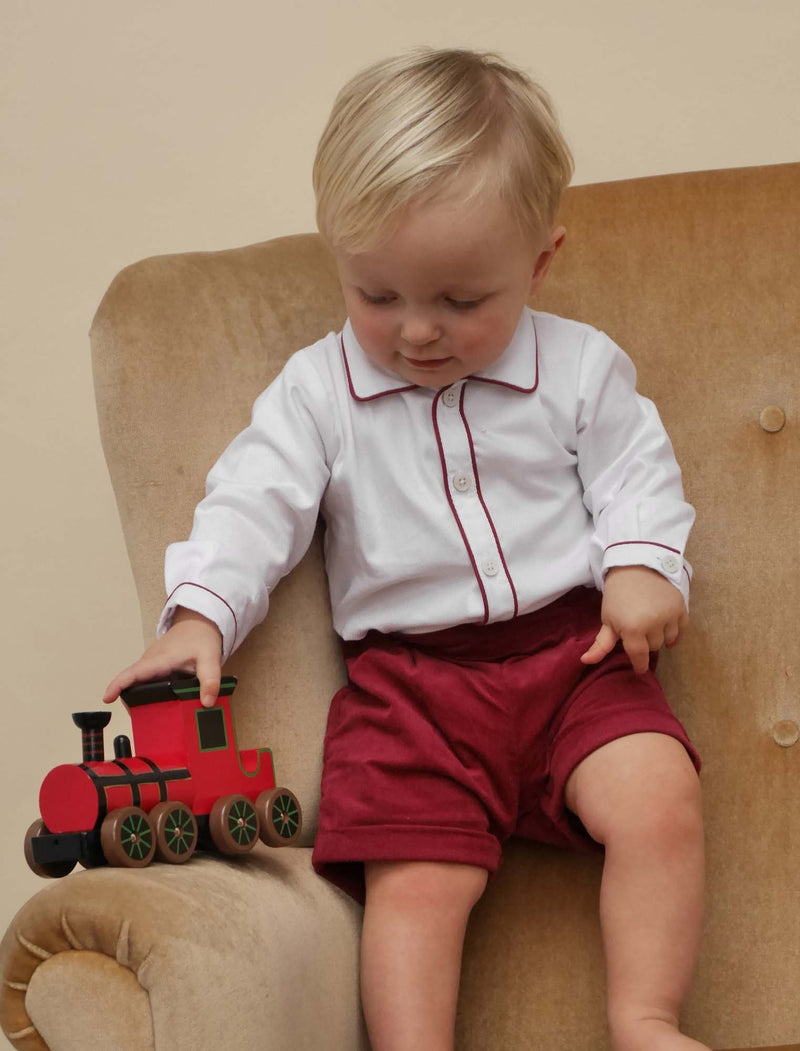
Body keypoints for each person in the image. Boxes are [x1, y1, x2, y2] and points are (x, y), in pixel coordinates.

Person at [103, 48, 707, 1051]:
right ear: (337, 259)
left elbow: (635, 472)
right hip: (413, 691)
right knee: (416, 885)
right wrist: (201, 612)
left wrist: (642, 564)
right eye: (375, 296)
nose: (416, 331)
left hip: (575, 661)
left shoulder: (579, 369)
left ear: (539, 260)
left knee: (659, 797)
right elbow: (253, 501)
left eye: (461, 301)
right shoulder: (316, 392)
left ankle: (643, 1017)